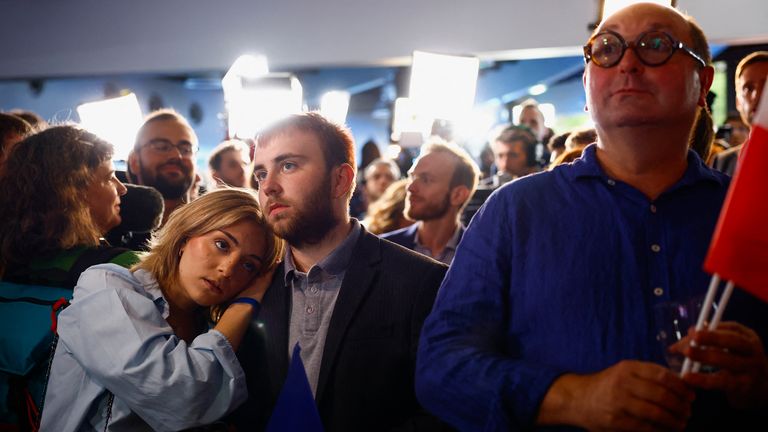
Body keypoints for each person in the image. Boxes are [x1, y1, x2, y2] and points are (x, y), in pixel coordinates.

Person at [416, 4, 768, 431]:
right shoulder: (515, 212)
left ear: (703, 81)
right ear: (586, 83)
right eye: (607, 49)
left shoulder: (751, 214)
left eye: (656, 45)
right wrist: (568, 397)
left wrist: (761, 382)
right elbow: (441, 366)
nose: (629, 63)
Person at [233, 112, 448, 431]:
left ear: (341, 180)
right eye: (261, 174)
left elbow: (441, 407)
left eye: (288, 165)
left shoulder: (421, 281)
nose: (269, 188)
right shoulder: (250, 282)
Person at [40, 189, 284, 431]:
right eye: (221, 244)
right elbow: (178, 396)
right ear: (185, 237)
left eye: (249, 265)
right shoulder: (107, 287)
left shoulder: (210, 326)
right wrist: (243, 307)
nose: (229, 269)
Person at [0, 125, 138, 287]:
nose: (122, 189)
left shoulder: (6, 268)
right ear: (72, 192)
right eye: (109, 178)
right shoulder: (125, 268)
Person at [382, 139, 479, 265]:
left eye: (426, 179)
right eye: (412, 177)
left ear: (458, 195)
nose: (410, 187)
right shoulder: (384, 249)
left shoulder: (482, 256)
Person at [128, 109, 198, 224]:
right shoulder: (111, 232)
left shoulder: (213, 229)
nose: (176, 155)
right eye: (161, 146)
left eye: (186, 149)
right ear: (134, 161)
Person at [712, 51, 768, 175]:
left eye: (766, 86)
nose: (757, 95)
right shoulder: (722, 162)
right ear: (738, 102)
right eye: (748, 88)